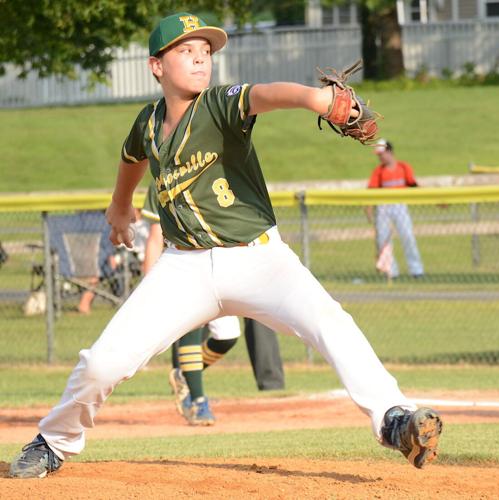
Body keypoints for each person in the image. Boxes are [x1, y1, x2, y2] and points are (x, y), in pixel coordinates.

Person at [9, 12, 442, 479]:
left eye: (206, 53)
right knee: (103, 363)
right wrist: (118, 206)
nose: (201, 59)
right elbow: (132, 156)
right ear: (156, 66)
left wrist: (316, 98)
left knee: (330, 323)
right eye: (186, 51)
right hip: (184, 269)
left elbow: (265, 94)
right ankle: (54, 440)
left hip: (259, 259)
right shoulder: (149, 123)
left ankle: (395, 419)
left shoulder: (218, 104)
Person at [141, 182, 241, 426]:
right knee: (193, 327)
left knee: (228, 335)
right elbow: (155, 239)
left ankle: (184, 374)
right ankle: (198, 402)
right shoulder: (161, 182)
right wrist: (148, 285)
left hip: (218, 267)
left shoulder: (216, 175)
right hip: (181, 267)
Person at [366, 139, 424, 279]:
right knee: (383, 240)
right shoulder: (378, 171)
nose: (380, 157)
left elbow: (414, 185)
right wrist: (368, 208)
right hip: (383, 207)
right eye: (378, 155)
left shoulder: (403, 167)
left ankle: (417, 270)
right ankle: (391, 272)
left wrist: (435, 200)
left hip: (400, 205)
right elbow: (371, 191)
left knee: (408, 236)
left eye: (382, 153)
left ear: (390, 152)